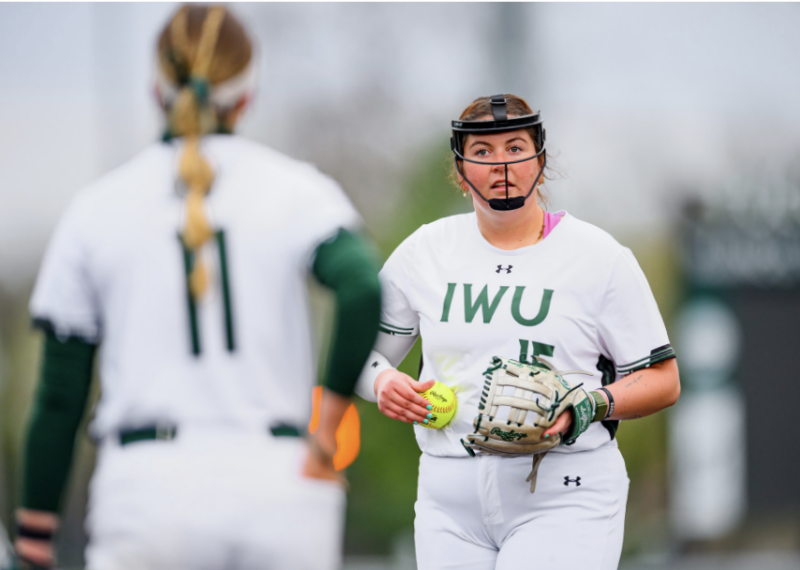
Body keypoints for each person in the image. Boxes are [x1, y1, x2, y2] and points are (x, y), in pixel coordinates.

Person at [14, 5, 381, 570]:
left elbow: (60, 395)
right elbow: (360, 290)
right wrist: (327, 435)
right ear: (247, 94)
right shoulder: (298, 191)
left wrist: (35, 534)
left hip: (149, 487)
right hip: (280, 485)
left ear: (155, 88)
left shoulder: (96, 209)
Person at [356, 94, 680, 570]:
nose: (501, 163)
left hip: (565, 490)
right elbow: (361, 356)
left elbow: (663, 379)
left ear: (540, 161)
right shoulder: (426, 250)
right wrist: (384, 382)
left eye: (515, 147)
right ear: (461, 169)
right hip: (450, 495)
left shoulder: (598, 257)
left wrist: (590, 404)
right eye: (483, 152)